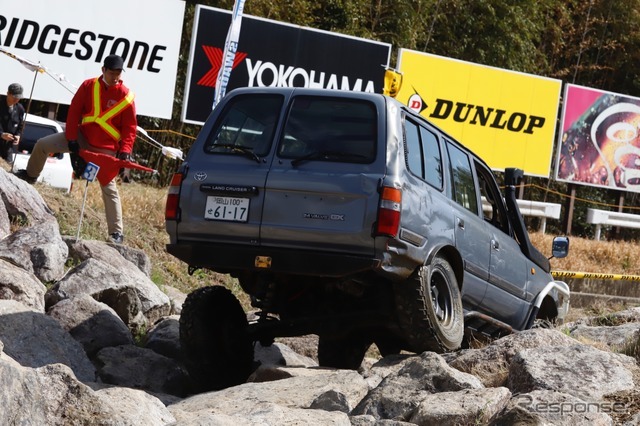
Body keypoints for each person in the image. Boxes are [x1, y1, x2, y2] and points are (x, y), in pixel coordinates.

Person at [15, 54, 137, 244]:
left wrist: (125, 151)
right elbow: (73, 113)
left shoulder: (126, 96)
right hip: (81, 137)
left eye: (119, 73)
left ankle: (116, 233)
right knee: (42, 145)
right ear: (103, 70)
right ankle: (31, 175)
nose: (116, 77)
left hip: (105, 149)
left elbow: (130, 128)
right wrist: (71, 139)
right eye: (112, 73)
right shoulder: (88, 86)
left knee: (109, 188)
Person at [0, 83, 26, 162]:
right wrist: (1, 134)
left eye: (18, 97)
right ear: (8, 93)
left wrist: (18, 135)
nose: (17, 99)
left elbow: (21, 124)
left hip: (8, 148)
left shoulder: (20, 108)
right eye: (14, 97)